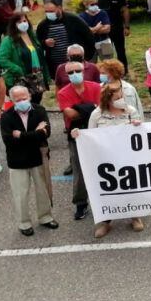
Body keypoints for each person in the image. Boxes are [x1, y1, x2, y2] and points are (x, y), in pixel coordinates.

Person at [87, 83, 144, 237]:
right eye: (117, 97)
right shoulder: (97, 115)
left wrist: (138, 126)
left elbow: (142, 135)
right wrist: (78, 136)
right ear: (108, 99)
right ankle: (106, 221)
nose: (121, 99)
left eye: (122, 96)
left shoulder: (131, 112)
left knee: (130, 186)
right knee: (108, 189)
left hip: (128, 158)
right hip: (105, 161)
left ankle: (135, 216)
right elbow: (90, 137)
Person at [0, 86, 56, 236]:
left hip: (38, 158)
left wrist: (21, 135)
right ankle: (24, 223)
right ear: (12, 101)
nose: (22, 102)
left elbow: (46, 133)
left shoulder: (40, 110)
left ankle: (45, 217)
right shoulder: (6, 116)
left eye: (24, 98)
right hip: (17, 161)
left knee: (43, 190)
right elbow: (9, 141)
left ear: (29, 96)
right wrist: (36, 133)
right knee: (20, 194)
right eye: (18, 100)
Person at [58, 60, 100, 221]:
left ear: (83, 70)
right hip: (76, 136)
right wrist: (92, 107)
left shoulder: (96, 87)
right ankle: (81, 204)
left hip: (97, 132)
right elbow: (70, 115)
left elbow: (102, 107)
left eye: (77, 70)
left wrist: (79, 108)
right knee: (79, 171)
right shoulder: (63, 92)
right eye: (70, 72)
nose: (74, 74)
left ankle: (103, 200)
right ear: (66, 75)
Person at [37, 0, 94, 79]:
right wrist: (45, 43)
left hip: (76, 62)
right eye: (46, 11)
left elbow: (89, 36)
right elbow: (38, 43)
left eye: (51, 11)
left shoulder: (73, 20)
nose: (49, 13)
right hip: (56, 65)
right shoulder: (43, 26)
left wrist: (86, 56)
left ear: (59, 8)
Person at [0, 14, 47, 104]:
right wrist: (16, 69)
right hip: (21, 77)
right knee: (24, 103)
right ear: (14, 25)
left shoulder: (33, 36)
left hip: (37, 75)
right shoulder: (8, 40)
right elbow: (2, 59)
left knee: (36, 102)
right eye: (19, 22)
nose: (23, 23)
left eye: (24, 21)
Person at [95, 0, 130, 72]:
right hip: (104, 31)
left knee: (121, 51)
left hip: (117, 28)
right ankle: (109, 71)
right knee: (106, 52)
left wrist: (126, 27)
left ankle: (123, 70)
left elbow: (125, 10)